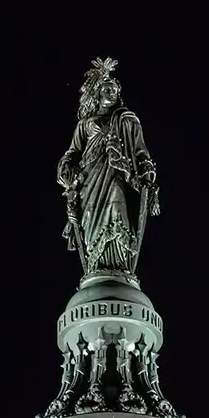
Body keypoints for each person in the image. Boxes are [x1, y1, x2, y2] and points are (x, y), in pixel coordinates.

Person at [57, 58, 160, 280]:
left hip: (118, 174)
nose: (111, 93)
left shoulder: (128, 120)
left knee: (117, 203)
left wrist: (147, 171)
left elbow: (141, 150)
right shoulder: (85, 124)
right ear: (98, 93)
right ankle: (96, 269)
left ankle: (119, 265)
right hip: (89, 180)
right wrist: (65, 169)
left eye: (114, 89)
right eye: (106, 89)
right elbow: (73, 152)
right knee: (91, 218)